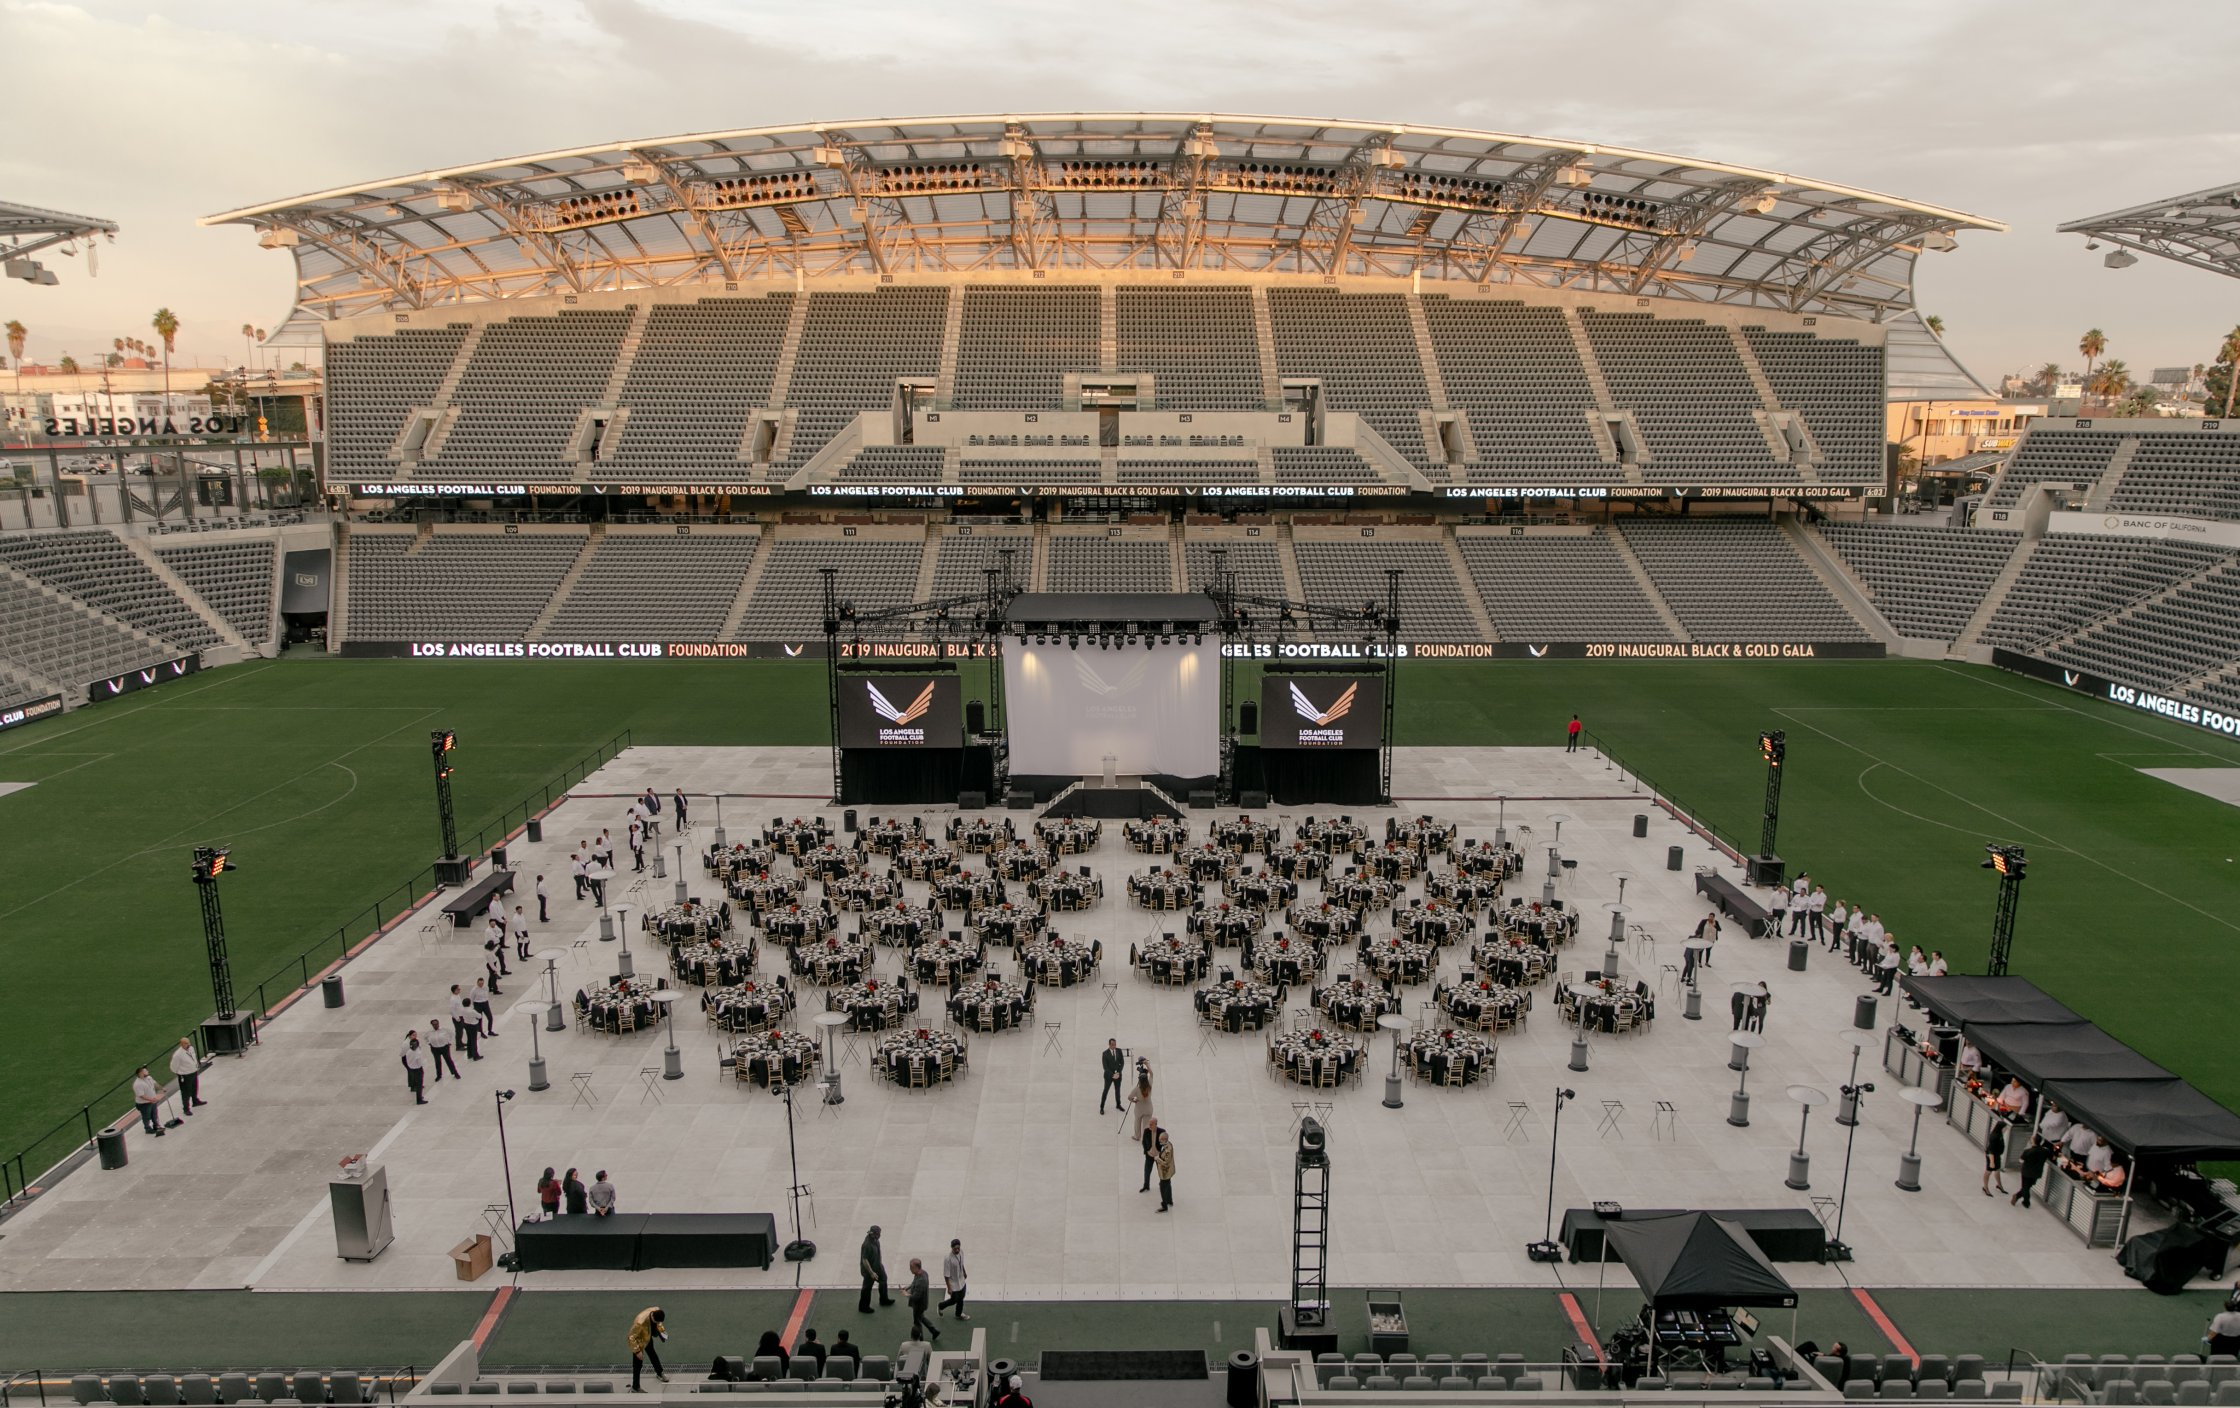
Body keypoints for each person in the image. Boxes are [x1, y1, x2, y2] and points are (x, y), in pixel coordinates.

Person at [627, 1306, 667, 1392]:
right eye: (656, 1322)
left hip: (647, 1336)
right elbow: (631, 1337)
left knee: (652, 1353)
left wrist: (662, 1332)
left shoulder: (657, 1310)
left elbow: (659, 1324)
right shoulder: (639, 1322)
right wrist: (637, 1351)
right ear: (653, 1317)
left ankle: (659, 1372)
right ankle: (635, 1387)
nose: (658, 1323)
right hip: (638, 1340)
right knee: (637, 1364)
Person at [859, 1225, 893, 1312]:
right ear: (872, 1234)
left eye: (879, 1234)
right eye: (877, 1234)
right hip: (868, 1270)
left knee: (883, 1280)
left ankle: (884, 1300)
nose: (879, 1236)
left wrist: (880, 1264)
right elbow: (864, 1260)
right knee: (867, 1288)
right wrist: (871, 1273)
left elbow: (879, 1252)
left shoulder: (876, 1241)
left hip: (877, 1266)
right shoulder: (866, 1245)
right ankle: (863, 1307)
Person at [907, 1257, 940, 1342]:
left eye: (911, 1267)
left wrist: (906, 1294)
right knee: (921, 1317)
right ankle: (934, 1331)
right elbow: (914, 1282)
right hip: (921, 1304)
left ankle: (920, 1340)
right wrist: (907, 1287)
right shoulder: (921, 1273)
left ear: (916, 1267)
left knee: (917, 1322)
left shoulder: (921, 1280)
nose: (910, 1269)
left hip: (919, 1305)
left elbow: (916, 1296)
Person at [169, 1037, 205, 1115]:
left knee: (194, 1087)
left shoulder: (191, 1048)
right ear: (181, 1044)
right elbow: (173, 1067)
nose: (188, 1044)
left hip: (193, 1072)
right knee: (186, 1092)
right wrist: (180, 1073)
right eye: (186, 1043)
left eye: (188, 1042)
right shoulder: (178, 1055)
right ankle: (186, 1108)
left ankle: (195, 1101)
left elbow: (193, 1058)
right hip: (185, 1075)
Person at [2012, 1136, 2051, 1209]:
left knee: (2025, 1187)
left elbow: (2021, 1160)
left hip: (2026, 1172)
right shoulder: (2045, 1151)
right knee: (2028, 1186)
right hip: (2037, 1172)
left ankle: (2023, 1200)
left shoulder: (2028, 1151)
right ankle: (2022, 1199)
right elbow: (2050, 1156)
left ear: (2033, 1141)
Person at [939, 1238, 969, 1321]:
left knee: (961, 1297)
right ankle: (941, 1306)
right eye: (955, 1248)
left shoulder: (961, 1252)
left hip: (961, 1280)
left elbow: (961, 1263)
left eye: (958, 1248)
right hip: (953, 1283)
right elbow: (946, 1275)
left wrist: (964, 1272)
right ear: (951, 1248)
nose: (957, 1250)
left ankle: (958, 1314)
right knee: (954, 1300)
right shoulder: (948, 1259)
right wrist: (949, 1287)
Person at [133, 1066, 167, 1136]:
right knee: (146, 1116)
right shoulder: (137, 1084)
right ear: (140, 1073)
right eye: (145, 1071)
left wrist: (162, 1088)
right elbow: (141, 1095)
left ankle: (156, 1126)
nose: (147, 1072)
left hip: (152, 1101)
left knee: (154, 1114)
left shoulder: (149, 1078)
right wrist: (151, 1100)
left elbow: (155, 1084)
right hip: (144, 1104)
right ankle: (147, 1129)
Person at [1128, 1063, 1156, 1140]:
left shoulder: (1137, 1089)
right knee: (1146, 1125)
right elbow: (1152, 1074)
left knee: (1137, 1122)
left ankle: (1137, 1136)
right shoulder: (1149, 1086)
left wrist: (1134, 1101)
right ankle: (1146, 1138)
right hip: (1148, 1108)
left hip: (1139, 1109)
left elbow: (1129, 1097)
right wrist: (1147, 1064)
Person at [1983, 1118, 2009, 1197]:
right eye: (2005, 1128)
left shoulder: (2000, 1134)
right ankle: (1985, 1187)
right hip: (1992, 1156)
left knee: (1997, 1170)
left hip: (1997, 1155)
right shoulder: (1994, 1137)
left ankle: (1999, 1185)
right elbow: (1991, 1150)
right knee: (1988, 1171)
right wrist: (1992, 1162)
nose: (2006, 1129)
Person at [1099, 1038, 1125, 1115]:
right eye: (1113, 1044)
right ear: (1109, 1044)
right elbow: (1105, 1067)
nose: (1114, 1046)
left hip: (1118, 1075)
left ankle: (1118, 1104)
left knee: (1118, 1091)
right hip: (1108, 1076)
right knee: (1105, 1091)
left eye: (1115, 1044)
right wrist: (1112, 1075)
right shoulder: (1105, 1053)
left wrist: (1118, 1073)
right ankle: (1102, 1107)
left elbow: (1122, 1062)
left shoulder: (1119, 1051)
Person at [400, 1033, 427, 1106]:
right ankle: (419, 1099)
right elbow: (420, 1063)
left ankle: (419, 1097)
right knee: (419, 1084)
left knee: (416, 1082)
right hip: (418, 1069)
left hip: (411, 1068)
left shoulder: (408, 1052)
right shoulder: (418, 1053)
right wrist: (423, 1063)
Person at [1154, 1129, 1176, 1212]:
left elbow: (1166, 1162)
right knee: (1168, 1185)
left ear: (1164, 1139)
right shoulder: (1168, 1144)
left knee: (1163, 1187)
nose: (1159, 1141)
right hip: (1168, 1171)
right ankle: (1169, 1200)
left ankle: (1164, 1206)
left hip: (1165, 1172)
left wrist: (1157, 1159)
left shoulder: (1168, 1150)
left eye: (1160, 1140)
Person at [1139, 1116, 1162, 1194]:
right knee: (1147, 1171)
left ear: (1156, 1124)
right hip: (1149, 1155)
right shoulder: (1146, 1131)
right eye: (1149, 1124)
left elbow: (1165, 1143)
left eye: (1151, 1124)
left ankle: (1162, 1184)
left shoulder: (1161, 1132)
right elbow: (1143, 1142)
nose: (1149, 1125)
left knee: (1161, 1171)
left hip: (1158, 1156)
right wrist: (1146, 1151)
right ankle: (1146, 1185)